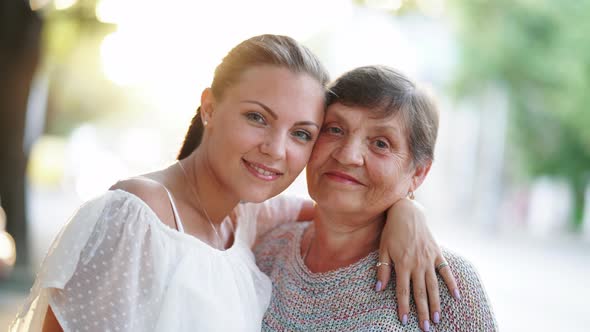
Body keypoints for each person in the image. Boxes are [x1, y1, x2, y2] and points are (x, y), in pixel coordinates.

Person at [11, 35, 453, 332]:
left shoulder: (249, 221)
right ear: (209, 107)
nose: (276, 150)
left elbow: (344, 205)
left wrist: (406, 210)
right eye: (257, 117)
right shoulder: (134, 217)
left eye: (301, 133)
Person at [254, 65, 498, 331]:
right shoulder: (267, 250)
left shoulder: (444, 284)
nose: (347, 155)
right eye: (335, 129)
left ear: (418, 172)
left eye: (381, 143)